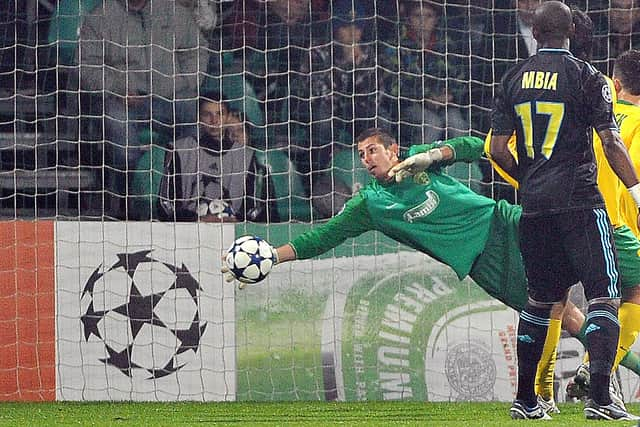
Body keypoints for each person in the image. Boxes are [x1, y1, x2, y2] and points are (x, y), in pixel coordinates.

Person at [221, 127, 638, 415]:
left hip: (506, 221)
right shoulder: (369, 205)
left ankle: (564, 388)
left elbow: (482, 146)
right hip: (484, 263)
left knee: (610, 254)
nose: (367, 159)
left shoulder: (422, 166)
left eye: (373, 150)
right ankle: (562, 390)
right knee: (562, 316)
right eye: (362, 154)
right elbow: (322, 238)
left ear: (393, 150)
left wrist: (436, 153)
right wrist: (273, 255)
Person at [488, 1, 640, 420]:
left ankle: (524, 400)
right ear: (571, 31)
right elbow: (610, 142)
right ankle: (602, 400)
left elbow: (498, 149)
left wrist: (532, 178)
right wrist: (637, 193)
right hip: (579, 203)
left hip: (534, 208)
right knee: (604, 297)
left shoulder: (512, 78)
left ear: (535, 34)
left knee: (539, 302)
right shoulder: (587, 76)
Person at [77, 0, 208, 218]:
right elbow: (86, 65)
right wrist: (117, 89)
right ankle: (130, 202)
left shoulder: (175, 13)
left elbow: (197, 51)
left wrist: (185, 82)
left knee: (193, 126)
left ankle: (189, 201)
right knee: (123, 142)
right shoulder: (99, 17)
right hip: (122, 101)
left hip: (170, 98)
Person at [158, 92, 259, 222]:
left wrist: (235, 220)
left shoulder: (246, 155)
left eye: (219, 114)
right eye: (207, 114)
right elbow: (165, 205)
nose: (214, 121)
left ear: (227, 117)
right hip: (188, 232)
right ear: (199, 118)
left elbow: (254, 208)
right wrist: (197, 219)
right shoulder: (178, 150)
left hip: (233, 230)